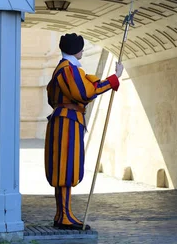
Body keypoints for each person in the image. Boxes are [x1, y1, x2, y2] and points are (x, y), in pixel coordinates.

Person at [44, 33, 124, 230]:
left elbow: (87, 86)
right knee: (66, 168)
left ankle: (63, 213)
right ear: (75, 49)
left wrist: (110, 79)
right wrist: (114, 80)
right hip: (67, 121)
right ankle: (64, 216)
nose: (82, 50)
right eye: (80, 47)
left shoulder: (66, 69)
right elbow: (86, 93)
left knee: (65, 167)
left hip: (66, 119)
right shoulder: (68, 70)